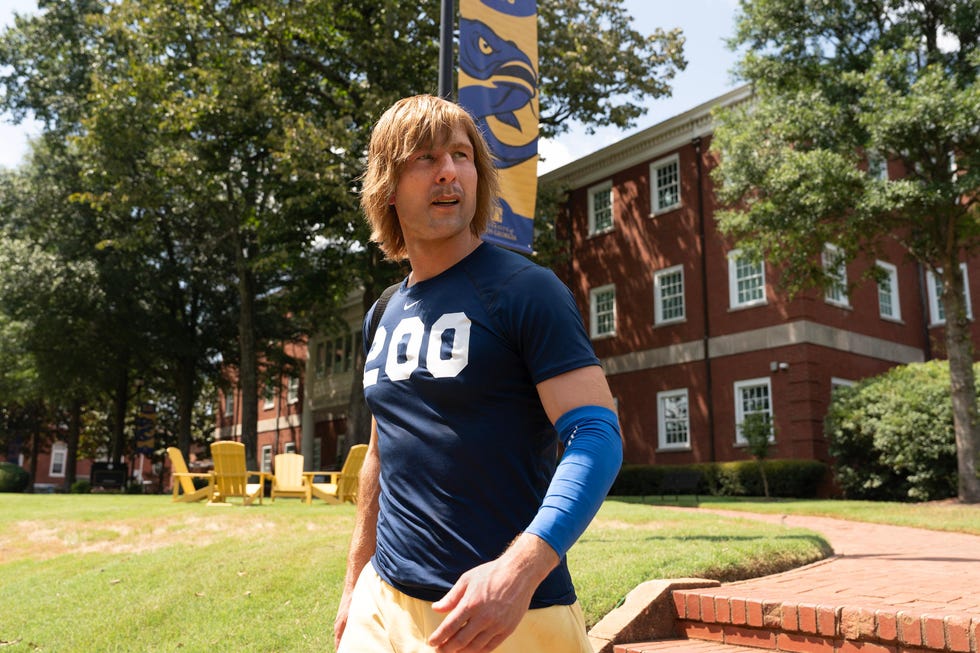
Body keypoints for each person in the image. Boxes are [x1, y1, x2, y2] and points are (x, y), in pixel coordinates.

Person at [334, 94, 623, 653]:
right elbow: (380, 454)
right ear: (388, 187)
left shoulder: (527, 291)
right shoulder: (382, 312)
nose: (448, 171)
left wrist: (519, 571)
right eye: (425, 158)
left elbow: (595, 435)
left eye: (461, 155)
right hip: (382, 604)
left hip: (506, 619)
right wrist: (355, 585)